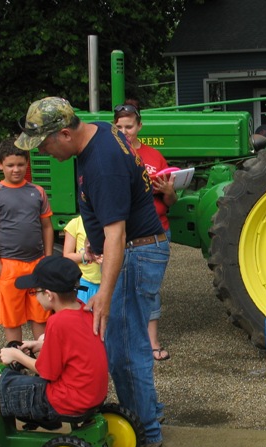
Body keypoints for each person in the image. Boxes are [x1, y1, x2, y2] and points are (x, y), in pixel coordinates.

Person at [15, 97, 169, 447]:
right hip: (133, 249)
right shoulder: (98, 132)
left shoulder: (102, 163)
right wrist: (95, 243)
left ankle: (146, 433)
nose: (43, 153)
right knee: (125, 342)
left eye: (44, 145)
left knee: (125, 349)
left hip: (135, 252)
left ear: (65, 134)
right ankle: (148, 416)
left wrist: (104, 294)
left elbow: (117, 234)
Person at [0, 255, 109, 441]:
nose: (35, 297)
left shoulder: (57, 322)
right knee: (42, 338)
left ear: (49, 295)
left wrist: (15, 355)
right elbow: (74, 346)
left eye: (34, 292)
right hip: (93, 394)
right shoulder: (84, 309)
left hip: (67, 401)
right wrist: (40, 345)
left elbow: (46, 372)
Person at [114, 99, 177, 363]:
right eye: (119, 127)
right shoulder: (112, 155)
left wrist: (169, 190)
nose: (124, 132)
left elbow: (170, 202)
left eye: (129, 127)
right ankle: (125, 342)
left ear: (139, 126)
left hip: (155, 232)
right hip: (123, 233)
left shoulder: (154, 156)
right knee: (120, 289)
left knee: (149, 290)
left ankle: (152, 343)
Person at [0, 138, 54, 343]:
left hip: (37, 263)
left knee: (41, 315)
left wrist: (47, 259)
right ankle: (15, 358)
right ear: (0, 164)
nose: (16, 170)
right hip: (9, 265)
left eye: (20, 164)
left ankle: (43, 357)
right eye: (10, 165)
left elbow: (47, 226)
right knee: (12, 319)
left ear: (27, 163)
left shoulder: (37, 191)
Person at [63, 215, 102, 303]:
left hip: (108, 284)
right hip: (85, 282)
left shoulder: (109, 222)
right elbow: (67, 256)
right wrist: (89, 256)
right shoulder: (75, 223)